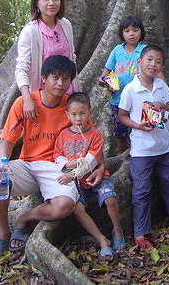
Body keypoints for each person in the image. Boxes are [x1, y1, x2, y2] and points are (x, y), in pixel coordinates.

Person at [0, 55, 103, 261]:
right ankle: (3, 233)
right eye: (55, 77)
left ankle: (24, 218)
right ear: (43, 79)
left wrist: (100, 167)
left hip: (58, 169)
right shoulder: (25, 102)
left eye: (65, 79)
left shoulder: (72, 107)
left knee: (64, 206)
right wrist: (1, 165)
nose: (60, 83)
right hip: (27, 164)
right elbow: (6, 142)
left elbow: (92, 139)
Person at [118, 44, 169, 251]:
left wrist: (163, 106)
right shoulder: (131, 90)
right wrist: (138, 125)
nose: (153, 64)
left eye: (158, 62)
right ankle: (141, 232)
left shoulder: (161, 86)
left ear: (161, 66)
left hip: (165, 145)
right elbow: (122, 116)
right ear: (139, 62)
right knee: (141, 190)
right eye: (149, 60)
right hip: (142, 150)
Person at [54, 92, 126, 259]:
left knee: (110, 199)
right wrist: (69, 164)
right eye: (74, 114)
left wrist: (73, 171)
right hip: (77, 182)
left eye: (82, 113)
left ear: (90, 113)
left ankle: (117, 231)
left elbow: (91, 161)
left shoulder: (95, 134)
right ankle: (102, 240)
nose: (78, 118)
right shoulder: (63, 135)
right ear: (67, 115)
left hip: (95, 176)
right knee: (77, 209)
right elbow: (57, 157)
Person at [15, 0, 79, 121]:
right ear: (36, 3)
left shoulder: (66, 25)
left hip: (67, 94)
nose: (51, 3)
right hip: (44, 98)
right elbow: (21, 69)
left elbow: (71, 59)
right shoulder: (30, 32)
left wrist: (77, 93)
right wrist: (27, 99)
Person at [98, 16, 147, 153]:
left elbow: (155, 71)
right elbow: (105, 74)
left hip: (139, 99)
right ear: (122, 33)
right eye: (127, 31)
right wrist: (104, 82)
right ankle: (121, 155)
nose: (131, 34)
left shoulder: (145, 50)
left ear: (141, 32)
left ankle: (138, 154)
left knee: (139, 128)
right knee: (120, 131)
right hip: (118, 100)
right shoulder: (117, 51)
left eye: (135, 30)